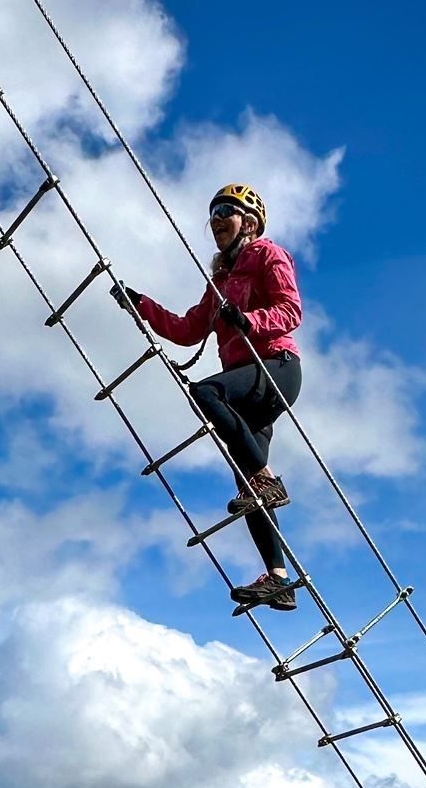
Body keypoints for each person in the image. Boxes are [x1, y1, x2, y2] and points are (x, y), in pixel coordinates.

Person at [111, 183, 303, 612]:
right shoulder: (219, 281)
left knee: (205, 392)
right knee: (246, 481)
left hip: (275, 368)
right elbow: (188, 329)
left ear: (248, 223)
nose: (216, 219)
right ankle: (279, 580)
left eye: (226, 211)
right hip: (246, 382)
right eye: (213, 212)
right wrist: (141, 305)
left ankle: (268, 480)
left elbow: (291, 310)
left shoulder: (269, 255)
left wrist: (251, 320)